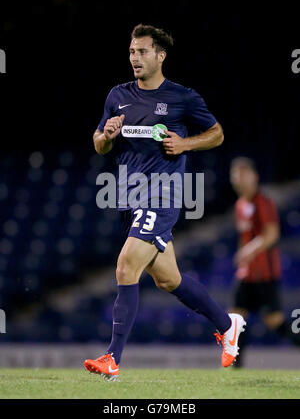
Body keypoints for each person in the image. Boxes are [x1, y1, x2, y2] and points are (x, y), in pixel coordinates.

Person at [84, 24, 246, 380]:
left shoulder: (182, 97)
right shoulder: (117, 95)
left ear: (161, 55)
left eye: (142, 51)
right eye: (131, 52)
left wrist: (185, 144)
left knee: (127, 264)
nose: (135, 58)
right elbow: (99, 142)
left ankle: (112, 358)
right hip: (129, 197)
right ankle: (227, 324)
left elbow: (217, 133)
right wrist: (107, 136)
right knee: (168, 279)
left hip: (163, 194)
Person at [230, 156, 300, 367]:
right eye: (235, 174)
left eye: (243, 173)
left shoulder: (263, 202)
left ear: (255, 176)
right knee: (235, 318)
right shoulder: (240, 205)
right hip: (247, 273)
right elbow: (245, 238)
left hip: (265, 274)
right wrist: (242, 255)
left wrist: (248, 251)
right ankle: (236, 368)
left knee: (274, 321)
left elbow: (272, 234)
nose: (238, 179)